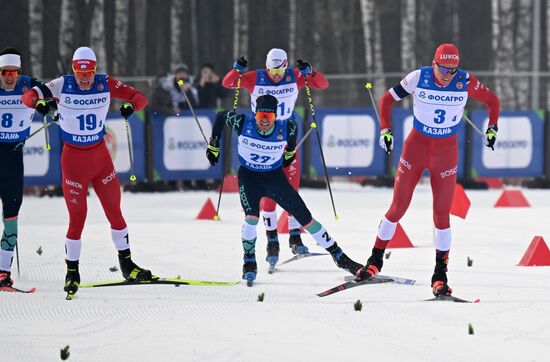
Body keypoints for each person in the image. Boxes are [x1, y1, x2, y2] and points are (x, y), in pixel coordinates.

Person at [355, 43, 500, 297]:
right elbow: (387, 99)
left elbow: (493, 101)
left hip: (445, 153)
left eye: (453, 69)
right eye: (443, 68)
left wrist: (492, 128)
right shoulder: (418, 77)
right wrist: (385, 130)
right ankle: (375, 260)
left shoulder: (464, 81)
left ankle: (440, 275)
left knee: (442, 215)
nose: (447, 74)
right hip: (416, 148)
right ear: (434, 64)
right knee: (398, 207)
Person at [22, 46, 153, 297]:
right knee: (77, 217)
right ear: (74, 70)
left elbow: (140, 98)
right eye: (80, 73)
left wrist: (130, 107)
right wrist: (38, 103)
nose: (85, 79)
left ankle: (127, 264)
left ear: (94, 70)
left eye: (89, 73)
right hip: (73, 161)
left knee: (115, 211)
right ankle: (72, 271)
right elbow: (27, 96)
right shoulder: (62, 84)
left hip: (101, 158)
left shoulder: (105, 83)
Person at [206, 94, 362, 285]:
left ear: (275, 117)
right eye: (261, 116)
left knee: (305, 218)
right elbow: (221, 116)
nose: (265, 121)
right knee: (251, 218)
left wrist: (288, 155)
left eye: (269, 117)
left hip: (274, 178)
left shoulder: (288, 126)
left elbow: (290, 150)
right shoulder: (242, 122)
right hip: (249, 178)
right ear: (255, 114)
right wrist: (214, 144)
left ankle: (340, 256)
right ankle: (249, 261)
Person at [222, 48, 329, 269]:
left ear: (286, 65)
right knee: (268, 196)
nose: (276, 75)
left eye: (279, 70)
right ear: (266, 66)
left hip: (286, 137)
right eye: (272, 70)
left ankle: (295, 237)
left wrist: (311, 72)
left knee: (291, 190)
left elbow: (322, 84)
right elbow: (228, 84)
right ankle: (272, 240)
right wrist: (236, 70)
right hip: (262, 139)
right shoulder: (256, 77)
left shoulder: (294, 76)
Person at [0, 47, 52, 289]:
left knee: (11, 214)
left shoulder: (28, 84)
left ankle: (3, 272)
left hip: (13, 156)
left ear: (18, 72)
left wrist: (44, 105)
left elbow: (51, 96)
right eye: (4, 72)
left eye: (13, 72)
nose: (8, 77)